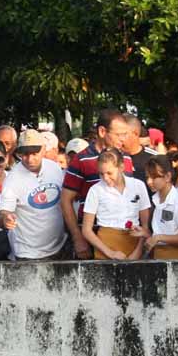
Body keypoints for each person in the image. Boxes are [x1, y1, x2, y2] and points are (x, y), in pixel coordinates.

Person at [61, 109, 135, 259]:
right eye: (119, 135)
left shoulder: (126, 158)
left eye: (126, 134)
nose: (124, 139)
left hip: (125, 237)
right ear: (102, 131)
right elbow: (65, 200)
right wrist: (78, 238)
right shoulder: (81, 159)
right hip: (92, 236)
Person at [0, 130, 68, 260]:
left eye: (35, 153)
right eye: (25, 154)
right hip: (28, 253)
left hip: (59, 247)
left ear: (43, 150)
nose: (30, 159)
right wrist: (5, 219)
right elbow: (2, 213)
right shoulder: (13, 178)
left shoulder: (55, 168)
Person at [80, 149, 151, 260]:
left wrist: (138, 250)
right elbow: (86, 229)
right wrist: (110, 253)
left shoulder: (138, 186)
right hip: (106, 243)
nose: (105, 178)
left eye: (109, 173)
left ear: (121, 167)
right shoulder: (95, 190)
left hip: (134, 241)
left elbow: (145, 226)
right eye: (101, 173)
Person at [143, 155, 178, 259]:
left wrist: (159, 238)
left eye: (153, 177)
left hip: (176, 258)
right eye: (147, 177)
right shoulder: (155, 200)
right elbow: (160, 232)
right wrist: (146, 233)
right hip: (159, 256)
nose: (149, 182)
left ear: (167, 177)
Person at [124, 114, 158, 184]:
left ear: (135, 133)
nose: (120, 138)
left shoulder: (155, 158)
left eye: (123, 134)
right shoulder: (114, 157)